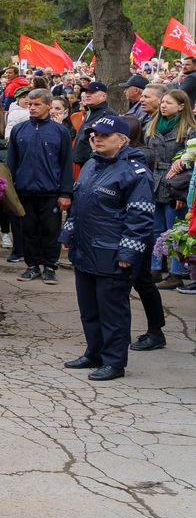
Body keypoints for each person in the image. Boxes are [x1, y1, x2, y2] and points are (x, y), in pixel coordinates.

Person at [60, 114, 154, 381]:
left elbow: (140, 218)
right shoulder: (91, 164)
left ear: (122, 140)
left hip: (112, 254)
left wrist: (128, 253)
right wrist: (68, 234)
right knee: (89, 308)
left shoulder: (135, 173)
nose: (97, 139)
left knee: (112, 311)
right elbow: (78, 207)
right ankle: (95, 353)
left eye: (104, 136)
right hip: (85, 249)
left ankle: (114, 361)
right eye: (94, 135)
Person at [9, 88, 73, 285]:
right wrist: (10, 191)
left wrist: (65, 192)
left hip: (50, 191)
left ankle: (49, 266)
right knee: (28, 229)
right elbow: (12, 162)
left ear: (48, 105)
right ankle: (32, 265)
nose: (32, 108)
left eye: (37, 104)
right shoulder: (19, 130)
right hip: (25, 190)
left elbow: (66, 164)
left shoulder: (60, 132)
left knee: (50, 229)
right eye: (30, 104)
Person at [142, 87, 194, 287]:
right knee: (156, 228)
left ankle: (176, 272)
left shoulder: (189, 129)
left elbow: (189, 162)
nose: (163, 106)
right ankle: (156, 268)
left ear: (181, 106)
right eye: (163, 102)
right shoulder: (153, 124)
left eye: (169, 103)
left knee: (175, 229)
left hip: (176, 183)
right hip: (154, 181)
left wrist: (182, 192)